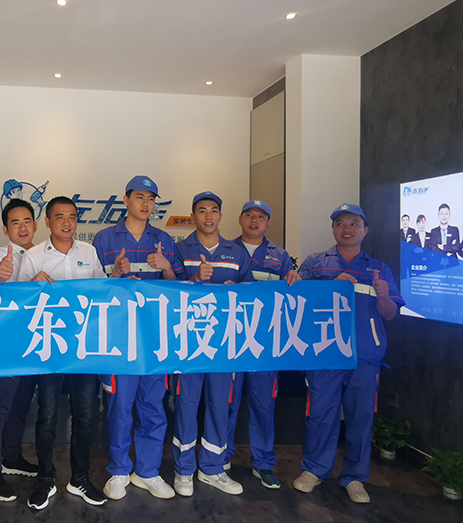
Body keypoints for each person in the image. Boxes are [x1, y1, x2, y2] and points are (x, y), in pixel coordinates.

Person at [292, 203, 404, 504]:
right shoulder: (316, 263)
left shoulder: (379, 269)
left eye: (354, 223)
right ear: (333, 229)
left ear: (365, 230)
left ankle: (354, 477)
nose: (347, 228)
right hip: (324, 353)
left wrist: (383, 296)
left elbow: (390, 313)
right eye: (340, 223)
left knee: (361, 418)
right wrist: (330, 287)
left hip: (365, 356)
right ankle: (314, 470)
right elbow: (297, 300)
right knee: (320, 415)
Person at [92, 175, 183, 501]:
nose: (146, 204)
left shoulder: (163, 239)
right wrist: (115, 274)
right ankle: (118, 470)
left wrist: (167, 267)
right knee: (120, 406)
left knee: (153, 405)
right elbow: (91, 290)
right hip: (118, 337)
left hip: (154, 338)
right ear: (126, 200)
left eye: (151, 199)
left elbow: (179, 290)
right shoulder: (105, 238)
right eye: (140, 197)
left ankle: (147, 471)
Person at [17, 196, 108, 511]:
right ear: (47, 222)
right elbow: (17, 303)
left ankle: (80, 478)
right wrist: (31, 285)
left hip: (83, 347)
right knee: (47, 416)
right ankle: (46, 479)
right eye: (60, 217)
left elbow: (104, 291)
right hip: (49, 346)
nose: (67, 223)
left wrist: (120, 277)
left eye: (72, 216)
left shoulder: (89, 252)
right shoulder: (34, 256)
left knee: (85, 415)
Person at [172, 191, 252, 497]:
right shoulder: (181, 249)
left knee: (221, 405)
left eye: (214, 210)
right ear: (193, 216)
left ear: (220, 215)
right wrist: (194, 279)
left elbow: (252, 295)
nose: (208, 216)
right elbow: (168, 292)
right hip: (189, 342)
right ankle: (183, 470)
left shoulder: (237, 252)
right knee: (186, 405)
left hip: (225, 344)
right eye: (202, 211)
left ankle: (212, 468)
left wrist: (237, 292)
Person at [226, 199, 300, 490]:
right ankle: (220, 459)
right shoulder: (226, 250)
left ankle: (263, 463)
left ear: (268, 222)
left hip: (265, 344)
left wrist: (295, 279)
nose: (254, 220)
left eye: (260, 216)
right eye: (249, 215)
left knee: (263, 406)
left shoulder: (280, 256)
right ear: (240, 219)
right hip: (230, 342)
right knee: (226, 404)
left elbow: (291, 297)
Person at [0, 199, 40, 501]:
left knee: (21, 405)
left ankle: (12, 457)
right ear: (6, 229)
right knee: (0, 406)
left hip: (34, 343)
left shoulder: (42, 255)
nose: (22, 227)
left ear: (35, 225)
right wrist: (0, 272)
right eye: (15, 222)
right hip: (5, 344)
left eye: (27, 221)